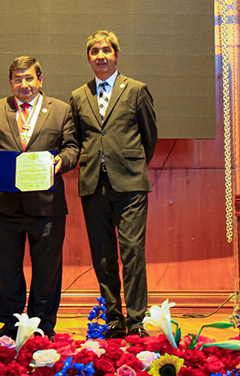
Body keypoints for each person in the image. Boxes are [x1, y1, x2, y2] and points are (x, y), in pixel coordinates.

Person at [0, 56, 78, 340]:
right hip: (5, 206)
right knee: (6, 269)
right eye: (18, 79)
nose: (24, 84)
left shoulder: (61, 109)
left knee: (47, 270)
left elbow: (72, 147)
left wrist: (61, 162)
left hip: (46, 205)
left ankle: (42, 326)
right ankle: (10, 323)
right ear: (10, 82)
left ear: (40, 80)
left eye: (29, 78)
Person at [70, 30, 158, 338]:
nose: (101, 56)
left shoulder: (136, 90)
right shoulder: (79, 95)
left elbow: (150, 137)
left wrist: (131, 166)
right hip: (94, 184)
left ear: (116, 55)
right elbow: (79, 139)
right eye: (94, 51)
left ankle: (136, 320)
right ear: (89, 58)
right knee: (103, 255)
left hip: (130, 185)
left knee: (132, 250)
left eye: (106, 50)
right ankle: (113, 319)